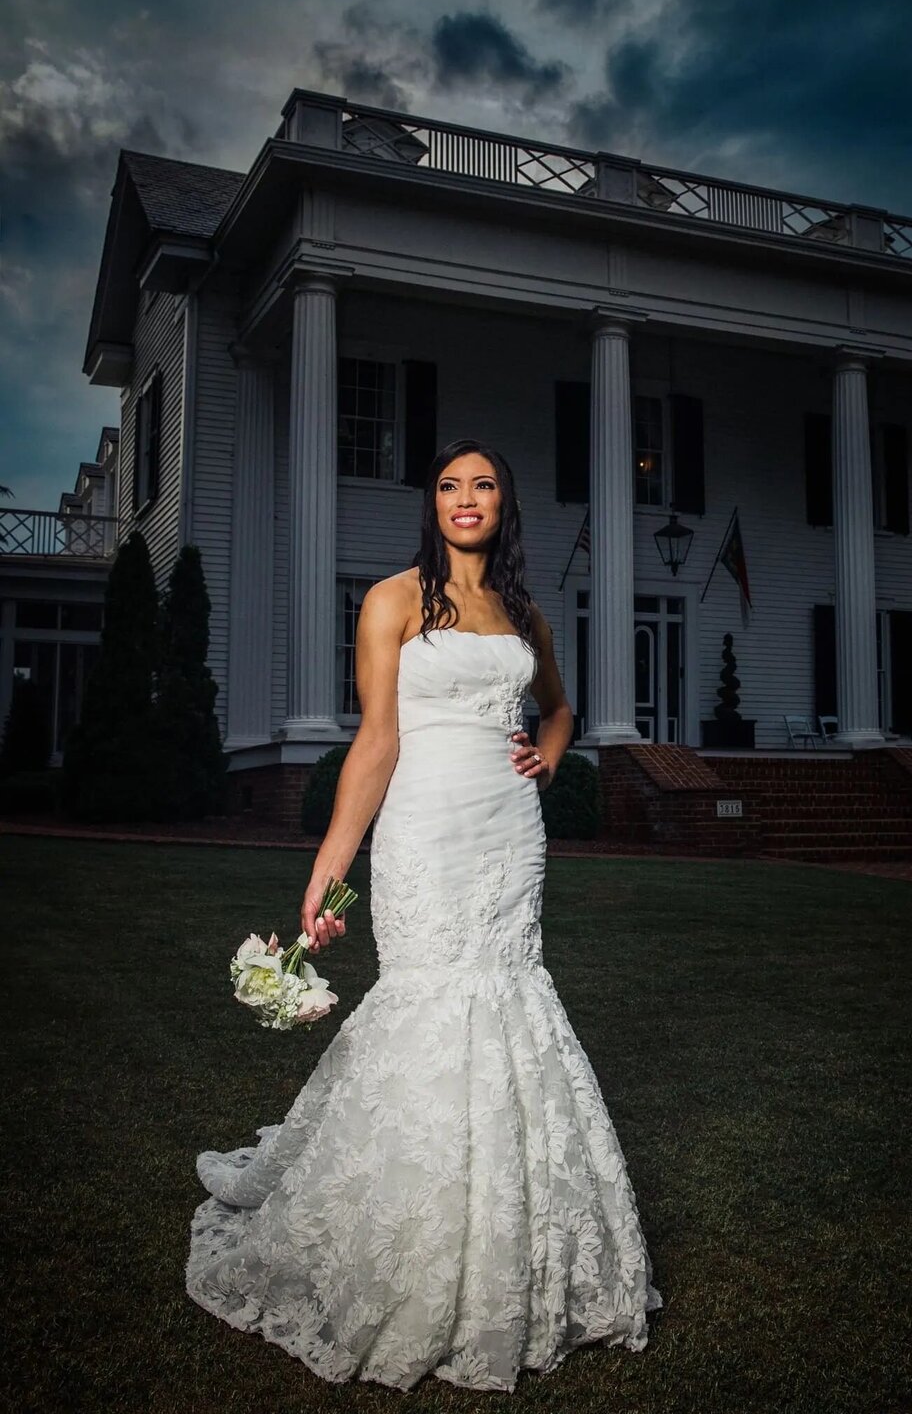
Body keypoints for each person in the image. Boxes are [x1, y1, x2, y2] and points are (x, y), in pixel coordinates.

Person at [186, 437, 662, 1390]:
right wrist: (329, 861)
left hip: (507, 831)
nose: (465, 499)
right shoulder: (394, 600)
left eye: (484, 484)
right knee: (428, 1001)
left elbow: (560, 710)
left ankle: (513, 1243)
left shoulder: (525, 611)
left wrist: (550, 755)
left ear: (504, 503)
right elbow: (376, 738)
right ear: (434, 505)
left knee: (511, 995)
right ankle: (404, 1233)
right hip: (424, 826)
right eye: (449, 486)